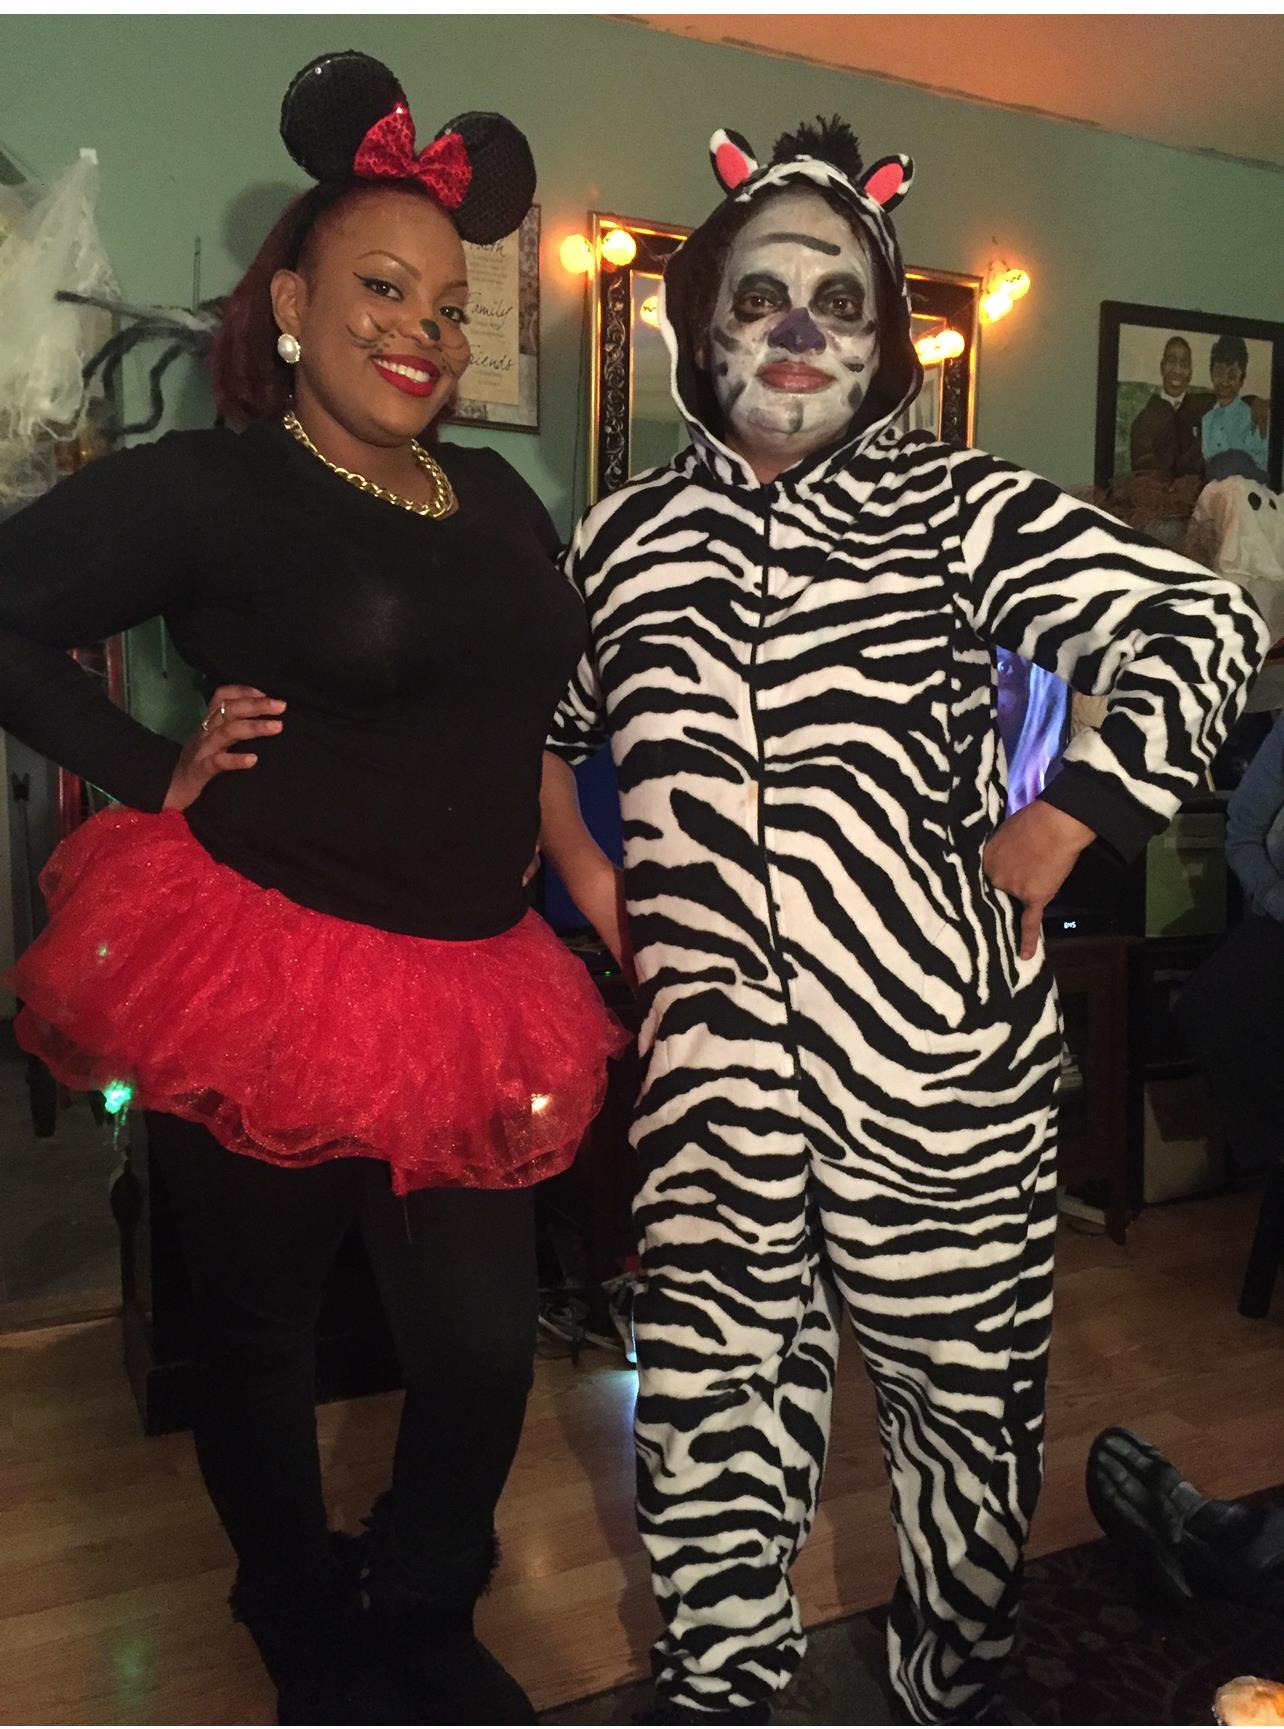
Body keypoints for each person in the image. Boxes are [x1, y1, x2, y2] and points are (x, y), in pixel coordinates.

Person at [538, 117, 1268, 1725]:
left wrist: (1062, 824)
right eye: (763, 296)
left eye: (839, 302)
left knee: (963, 1411)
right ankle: (722, 1681)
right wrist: (601, 889)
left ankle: (955, 1682)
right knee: (713, 1411)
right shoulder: (619, 539)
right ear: (702, 323)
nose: (798, 329)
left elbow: (1206, 627)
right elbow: (551, 732)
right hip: (715, 1082)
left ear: (882, 345)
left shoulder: (958, 508)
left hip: (941, 1067)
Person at [0, 51, 626, 1727]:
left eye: (448, 302)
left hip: (472, 980)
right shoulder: (214, 485)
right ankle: (296, 1613)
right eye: (380, 287)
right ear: (289, 302)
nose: (423, 328)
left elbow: (530, 719)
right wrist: (149, 768)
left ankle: (422, 1601)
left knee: (479, 1348)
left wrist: (572, 856)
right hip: (263, 963)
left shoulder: (499, 496)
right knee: (259, 1332)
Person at [1129, 334, 1211, 483]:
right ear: (1162, 367)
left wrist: (1255, 402)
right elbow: (1142, 475)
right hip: (1158, 493)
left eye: (1184, 364)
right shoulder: (1144, 421)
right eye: (1171, 361)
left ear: (1190, 372)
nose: (1177, 370)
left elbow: (1232, 401)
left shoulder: (1204, 407)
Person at [1203, 334, 1271, 486]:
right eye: (1219, 373)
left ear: (1242, 379)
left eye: (1232, 375)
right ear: (1211, 373)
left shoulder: (1254, 416)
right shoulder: (1207, 419)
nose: (1225, 381)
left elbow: (1265, 472)